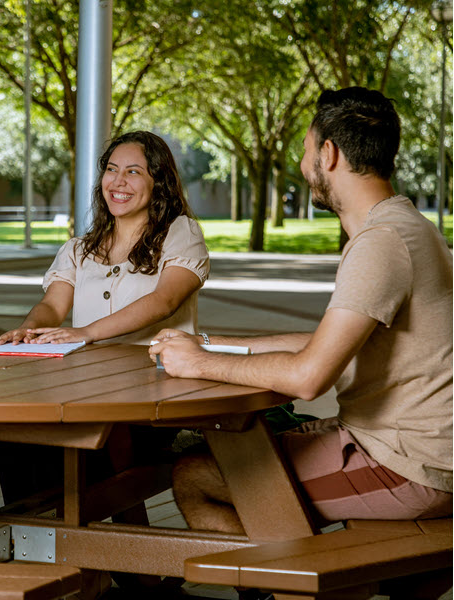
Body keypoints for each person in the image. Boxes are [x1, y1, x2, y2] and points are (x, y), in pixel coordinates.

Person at [150, 87, 452, 534]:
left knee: (197, 475)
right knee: (231, 452)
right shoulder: (407, 227)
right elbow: (325, 345)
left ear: (328, 154)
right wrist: (213, 345)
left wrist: (200, 363)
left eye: (305, 150)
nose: (301, 163)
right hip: (407, 446)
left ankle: (286, 583)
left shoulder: (381, 243)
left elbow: (308, 378)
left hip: (408, 465)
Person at [0, 130, 210, 504]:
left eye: (134, 172)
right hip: (84, 392)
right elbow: (53, 306)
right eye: (111, 170)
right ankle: (35, 538)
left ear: (159, 181)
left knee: (58, 446)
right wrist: (28, 330)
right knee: (10, 435)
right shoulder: (80, 247)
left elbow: (165, 301)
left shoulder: (180, 233)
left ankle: (57, 538)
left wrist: (86, 333)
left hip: (151, 397)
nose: (118, 182)